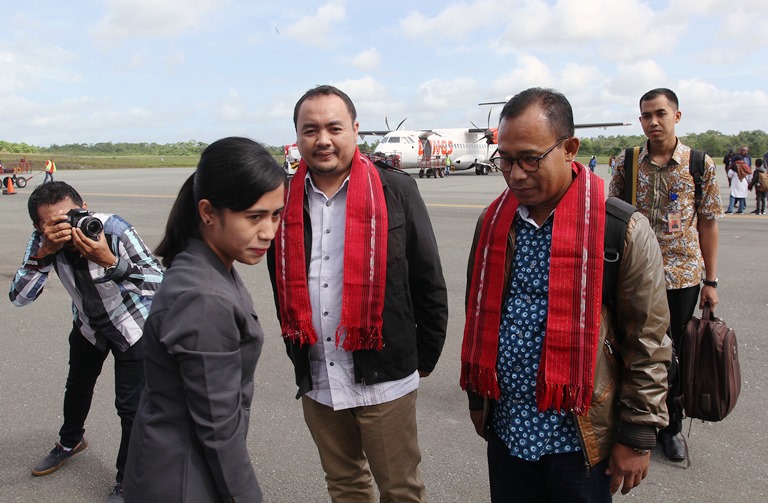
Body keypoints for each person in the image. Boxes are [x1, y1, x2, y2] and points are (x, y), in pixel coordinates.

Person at [461, 87, 671, 502]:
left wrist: (637, 433)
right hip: (507, 428)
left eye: (530, 158)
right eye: (505, 159)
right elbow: (478, 314)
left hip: (579, 438)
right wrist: (477, 398)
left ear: (570, 149)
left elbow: (648, 340)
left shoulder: (620, 229)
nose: (515, 174)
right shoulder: (493, 223)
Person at [267, 85, 448, 503]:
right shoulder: (283, 199)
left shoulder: (396, 190)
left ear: (355, 129)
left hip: (384, 377)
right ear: (297, 136)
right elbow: (279, 283)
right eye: (310, 130)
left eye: (334, 128)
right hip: (318, 374)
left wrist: (423, 357)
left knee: (400, 489)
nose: (323, 140)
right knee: (344, 485)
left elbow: (428, 280)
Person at [123, 137, 285, 503]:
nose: (269, 232)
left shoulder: (204, 264)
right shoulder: (204, 298)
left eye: (276, 215)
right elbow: (218, 426)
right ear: (208, 212)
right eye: (254, 217)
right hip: (183, 480)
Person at [9, 181, 163, 502]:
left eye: (72, 216)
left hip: (132, 325)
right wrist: (44, 253)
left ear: (85, 207)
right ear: (40, 228)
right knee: (77, 387)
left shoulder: (115, 230)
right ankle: (70, 442)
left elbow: (162, 283)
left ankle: (127, 480)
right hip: (88, 325)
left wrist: (111, 262)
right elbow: (20, 297)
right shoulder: (42, 242)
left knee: (131, 408)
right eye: (55, 224)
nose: (68, 228)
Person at [609, 87, 722, 462]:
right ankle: (630, 421)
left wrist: (710, 281)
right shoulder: (627, 161)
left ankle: (670, 428)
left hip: (681, 276)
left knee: (672, 356)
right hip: (634, 273)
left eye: (660, 113)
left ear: (677, 116)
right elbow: (614, 216)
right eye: (646, 115)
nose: (653, 121)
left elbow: (708, 223)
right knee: (629, 347)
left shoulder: (699, 164)